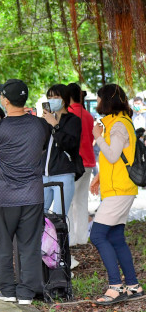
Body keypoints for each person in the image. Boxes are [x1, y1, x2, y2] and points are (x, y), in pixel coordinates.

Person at [0, 79, 51, 305]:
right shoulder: (40, 125)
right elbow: (42, 145)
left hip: (4, 197)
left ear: (5, 100)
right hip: (32, 195)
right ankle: (26, 293)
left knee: (3, 245)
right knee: (30, 245)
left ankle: (7, 290)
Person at [89, 84, 144, 304]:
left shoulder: (119, 124)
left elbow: (113, 155)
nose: (98, 103)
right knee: (115, 238)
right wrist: (100, 176)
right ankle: (132, 285)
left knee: (98, 235)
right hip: (117, 188)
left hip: (120, 190)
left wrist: (97, 136)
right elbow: (117, 158)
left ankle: (115, 287)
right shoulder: (116, 122)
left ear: (108, 101)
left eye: (100, 99)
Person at [41, 83, 82, 216]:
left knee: (59, 219)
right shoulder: (46, 120)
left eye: (56, 96)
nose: (52, 100)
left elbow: (70, 144)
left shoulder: (73, 120)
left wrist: (55, 125)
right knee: (39, 217)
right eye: (49, 97)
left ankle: (61, 238)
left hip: (63, 174)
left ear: (64, 99)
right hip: (44, 175)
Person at [66, 83, 96, 247]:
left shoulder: (68, 114)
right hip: (89, 161)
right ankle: (82, 238)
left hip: (73, 163)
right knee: (82, 201)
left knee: (69, 201)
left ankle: (70, 239)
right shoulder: (88, 115)